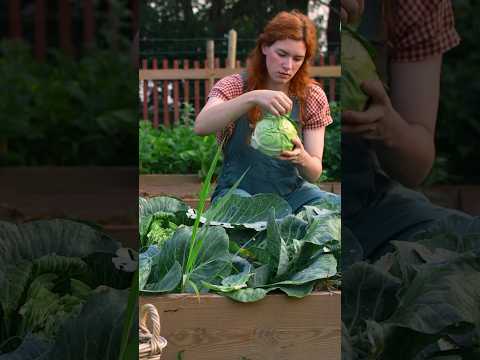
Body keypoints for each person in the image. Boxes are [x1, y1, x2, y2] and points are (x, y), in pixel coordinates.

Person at [341, 0, 473, 259]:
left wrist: (386, 127)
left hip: (366, 207)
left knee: (466, 243)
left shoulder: (414, 4)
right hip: (295, 198)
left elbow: (415, 168)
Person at [194, 10, 338, 213]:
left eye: (297, 58)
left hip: (292, 194)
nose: (288, 65)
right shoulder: (235, 86)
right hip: (239, 192)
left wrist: (301, 157)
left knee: (336, 208)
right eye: (282, 54)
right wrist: (252, 97)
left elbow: (314, 172)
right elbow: (201, 126)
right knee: (252, 214)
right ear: (264, 47)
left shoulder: (312, 96)